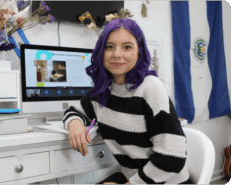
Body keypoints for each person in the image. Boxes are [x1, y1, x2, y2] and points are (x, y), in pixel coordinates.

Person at [62, 18, 192, 185]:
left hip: (164, 180)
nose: (117, 54)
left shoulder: (150, 87)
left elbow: (172, 158)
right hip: (132, 176)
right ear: (101, 52)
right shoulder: (103, 90)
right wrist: (75, 124)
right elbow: (75, 111)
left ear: (140, 51)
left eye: (127, 47)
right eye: (109, 47)